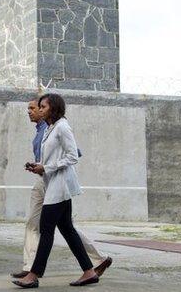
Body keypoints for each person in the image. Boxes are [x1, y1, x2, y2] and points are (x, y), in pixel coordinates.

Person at [11, 99, 112, 280]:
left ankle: (33, 275)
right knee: (67, 229)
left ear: (54, 109)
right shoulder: (50, 128)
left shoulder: (63, 127)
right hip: (52, 183)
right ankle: (89, 271)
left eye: (43, 107)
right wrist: (38, 166)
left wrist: (46, 168)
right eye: (38, 107)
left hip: (60, 186)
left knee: (46, 229)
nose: (39, 110)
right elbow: (52, 157)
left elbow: (73, 156)